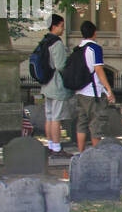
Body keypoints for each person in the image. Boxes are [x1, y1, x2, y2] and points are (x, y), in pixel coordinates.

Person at [74, 20, 115, 153]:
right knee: (96, 124)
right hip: (94, 93)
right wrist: (109, 89)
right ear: (94, 33)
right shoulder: (95, 48)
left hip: (80, 91)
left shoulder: (78, 48)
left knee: (81, 123)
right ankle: (96, 154)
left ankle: (80, 153)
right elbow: (99, 70)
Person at [39, 14, 71, 155]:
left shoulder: (45, 40)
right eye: (62, 26)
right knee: (56, 117)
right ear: (55, 26)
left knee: (50, 116)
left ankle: (51, 145)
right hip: (56, 84)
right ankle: (57, 148)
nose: (63, 29)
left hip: (46, 84)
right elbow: (60, 65)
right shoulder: (56, 43)